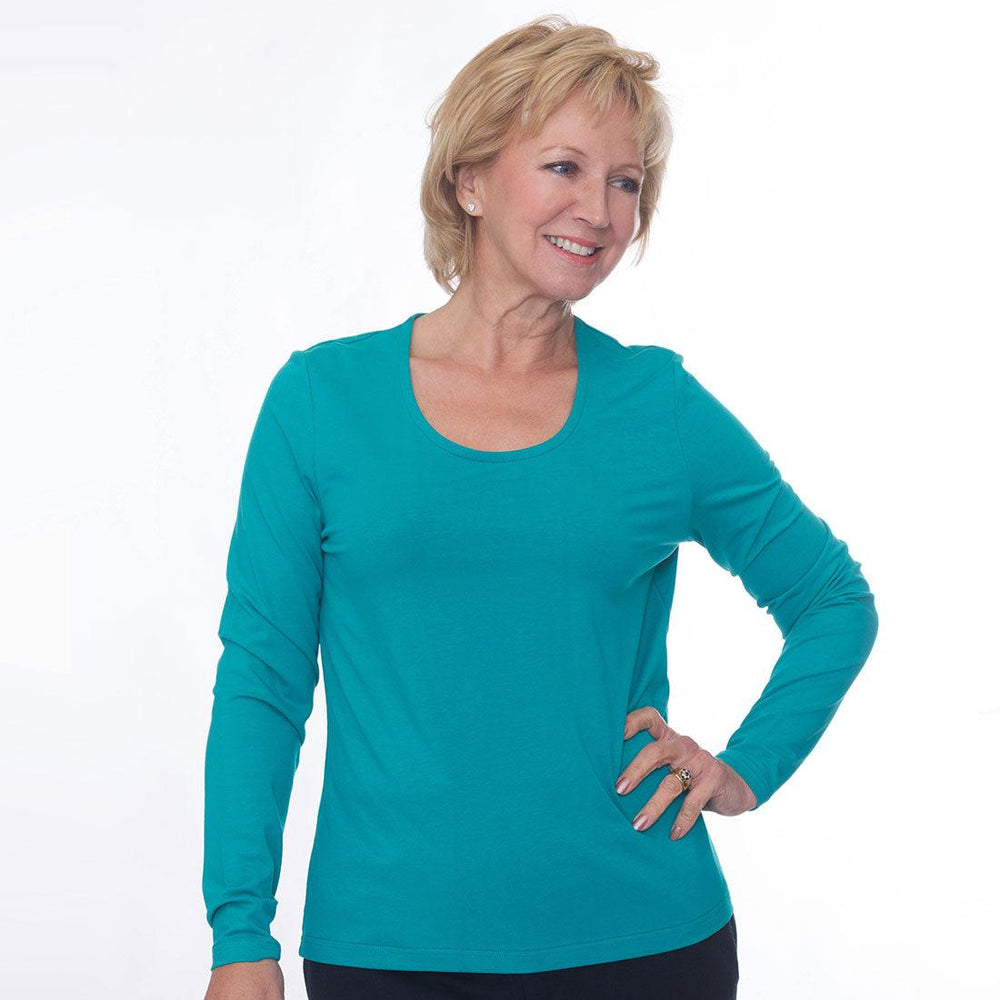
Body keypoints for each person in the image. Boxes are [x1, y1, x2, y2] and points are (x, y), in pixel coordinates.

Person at [202, 14, 879, 1000]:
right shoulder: (322, 402)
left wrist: (744, 767)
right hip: (391, 949)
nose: (598, 211)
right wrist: (239, 933)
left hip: (645, 940)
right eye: (564, 166)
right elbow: (263, 681)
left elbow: (831, 599)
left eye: (625, 182)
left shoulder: (657, 409)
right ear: (468, 182)